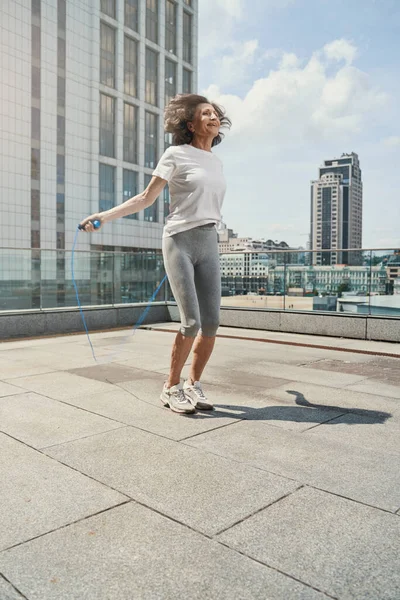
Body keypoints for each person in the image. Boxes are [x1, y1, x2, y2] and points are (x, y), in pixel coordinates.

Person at [80, 94, 231, 415]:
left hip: (209, 241)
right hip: (179, 240)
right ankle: (171, 387)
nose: (213, 116)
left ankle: (193, 384)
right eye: (206, 113)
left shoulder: (216, 162)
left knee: (213, 322)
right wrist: (103, 217)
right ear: (191, 125)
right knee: (191, 322)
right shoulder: (176, 154)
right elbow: (146, 198)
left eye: (215, 113)